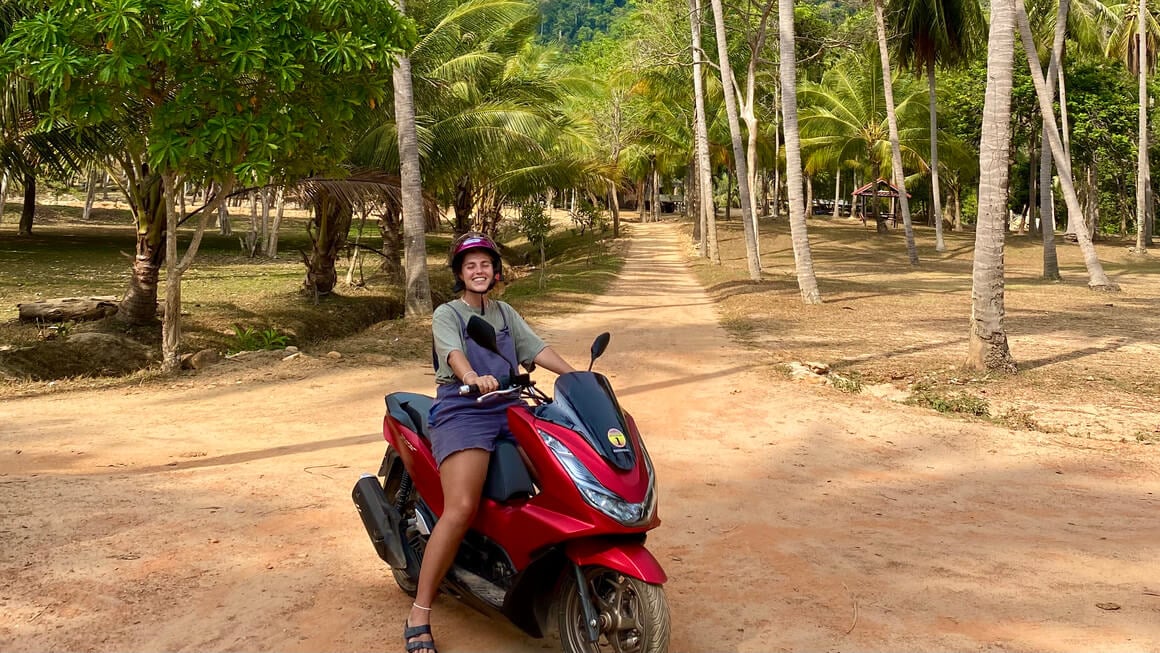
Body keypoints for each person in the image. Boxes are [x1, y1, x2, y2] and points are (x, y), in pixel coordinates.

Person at [403, 232, 575, 653]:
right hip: (464, 409)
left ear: (495, 271)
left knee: (564, 473)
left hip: (509, 406)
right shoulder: (449, 313)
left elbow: (535, 348)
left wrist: (575, 377)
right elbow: (452, 353)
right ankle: (421, 610)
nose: (478, 271)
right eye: (470, 266)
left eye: (485, 264)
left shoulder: (503, 312)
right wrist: (470, 377)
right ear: (460, 274)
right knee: (461, 507)